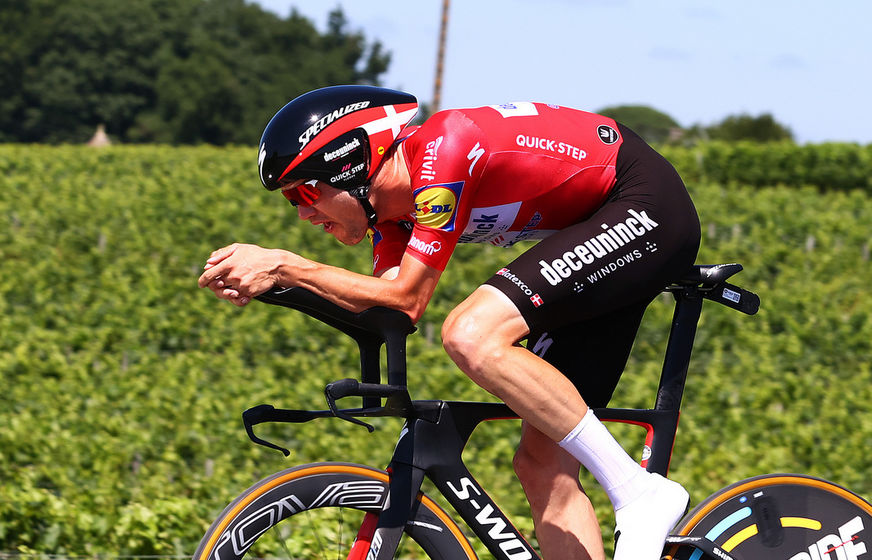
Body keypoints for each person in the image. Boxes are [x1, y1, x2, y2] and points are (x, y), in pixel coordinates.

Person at [198, 85, 699, 560]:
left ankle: (640, 494)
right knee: (543, 466)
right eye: (290, 201)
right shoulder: (394, 219)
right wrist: (278, 288)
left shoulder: (444, 148)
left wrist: (286, 265)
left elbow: (408, 297)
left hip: (643, 202)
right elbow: (385, 306)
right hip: (599, 236)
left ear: (350, 167)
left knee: (471, 333)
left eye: (304, 194)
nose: (302, 215)